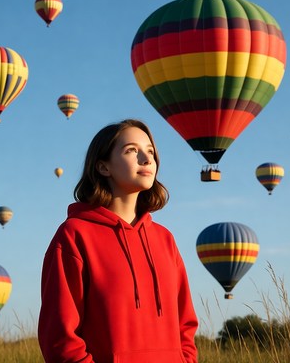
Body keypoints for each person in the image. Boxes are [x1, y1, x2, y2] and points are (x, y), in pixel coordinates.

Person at [38, 119, 199, 363]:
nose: (146, 159)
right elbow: (60, 335)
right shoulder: (74, 235)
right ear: (103, 167)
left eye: (150, 152)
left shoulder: (165, 239)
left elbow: (185, 324)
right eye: (132, 150)